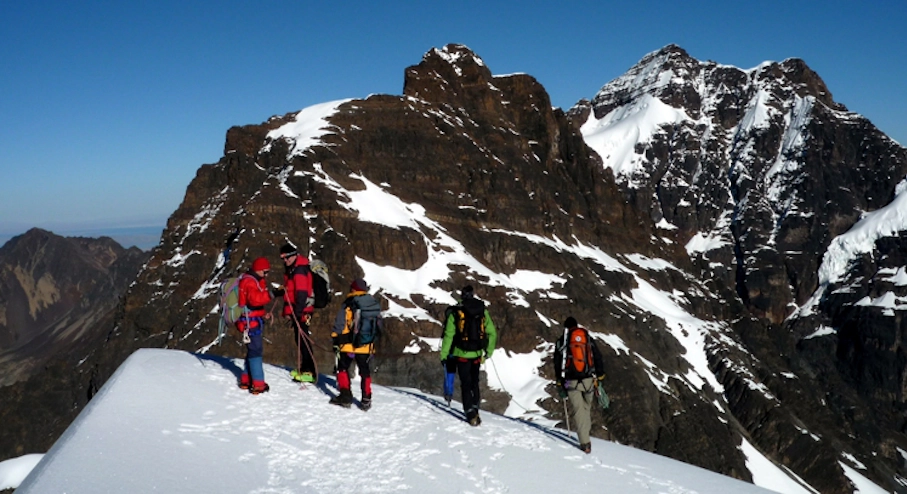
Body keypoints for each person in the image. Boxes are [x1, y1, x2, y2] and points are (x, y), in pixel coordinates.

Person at [440, 285, 497, 426]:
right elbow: (492, 333)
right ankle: (476, 409)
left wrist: (444, 355)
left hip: (461, 354)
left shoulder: (457, 312)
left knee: (465, 384)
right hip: (477, 353)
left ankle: (470, 414)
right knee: (474, 383)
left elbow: (449, 335)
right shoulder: (482, 311)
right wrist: (488, 352)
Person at [553, 316, 605, 453]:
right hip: (588, 380)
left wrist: (559, 381)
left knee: (578, 411)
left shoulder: (562, 341)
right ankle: (585, 436)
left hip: (571, 382)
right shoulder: (586, 338)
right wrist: (600, 375)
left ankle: (585, 443)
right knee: (586, 408)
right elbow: (597, 356)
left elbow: (557, 363)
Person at [329, 278, 382, 410]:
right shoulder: (372, 304)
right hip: (366, 346)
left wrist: (335, 338)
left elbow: (340, 324)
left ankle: (345, 396)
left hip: (348, 345)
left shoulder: (349, 303)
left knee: (342, 368)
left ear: (353, 289)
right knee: (364, 372)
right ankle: (366, 399)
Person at [280, 243, 317, 383]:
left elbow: (301, 294)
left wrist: (297, 313)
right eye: (282, 258)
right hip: (302, 310)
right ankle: (305, 369)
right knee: (301, 339)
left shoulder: (299, 271)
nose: (285, 260)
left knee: (303, 340)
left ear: (294, 255)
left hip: (302, 311)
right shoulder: (296, 269)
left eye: (286, 257)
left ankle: (309, 371)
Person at [237, 257, 274, 395]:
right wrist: (271, 294)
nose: (267, 275)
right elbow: (254, 300)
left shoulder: (251, 280)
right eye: (265, 272)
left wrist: (263, 314)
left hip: (252, 320)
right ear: (258, 269)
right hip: (250, 323)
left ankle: (246, 379)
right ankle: (258, 383)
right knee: (256, 350)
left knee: (252, 350)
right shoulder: (249, 282)